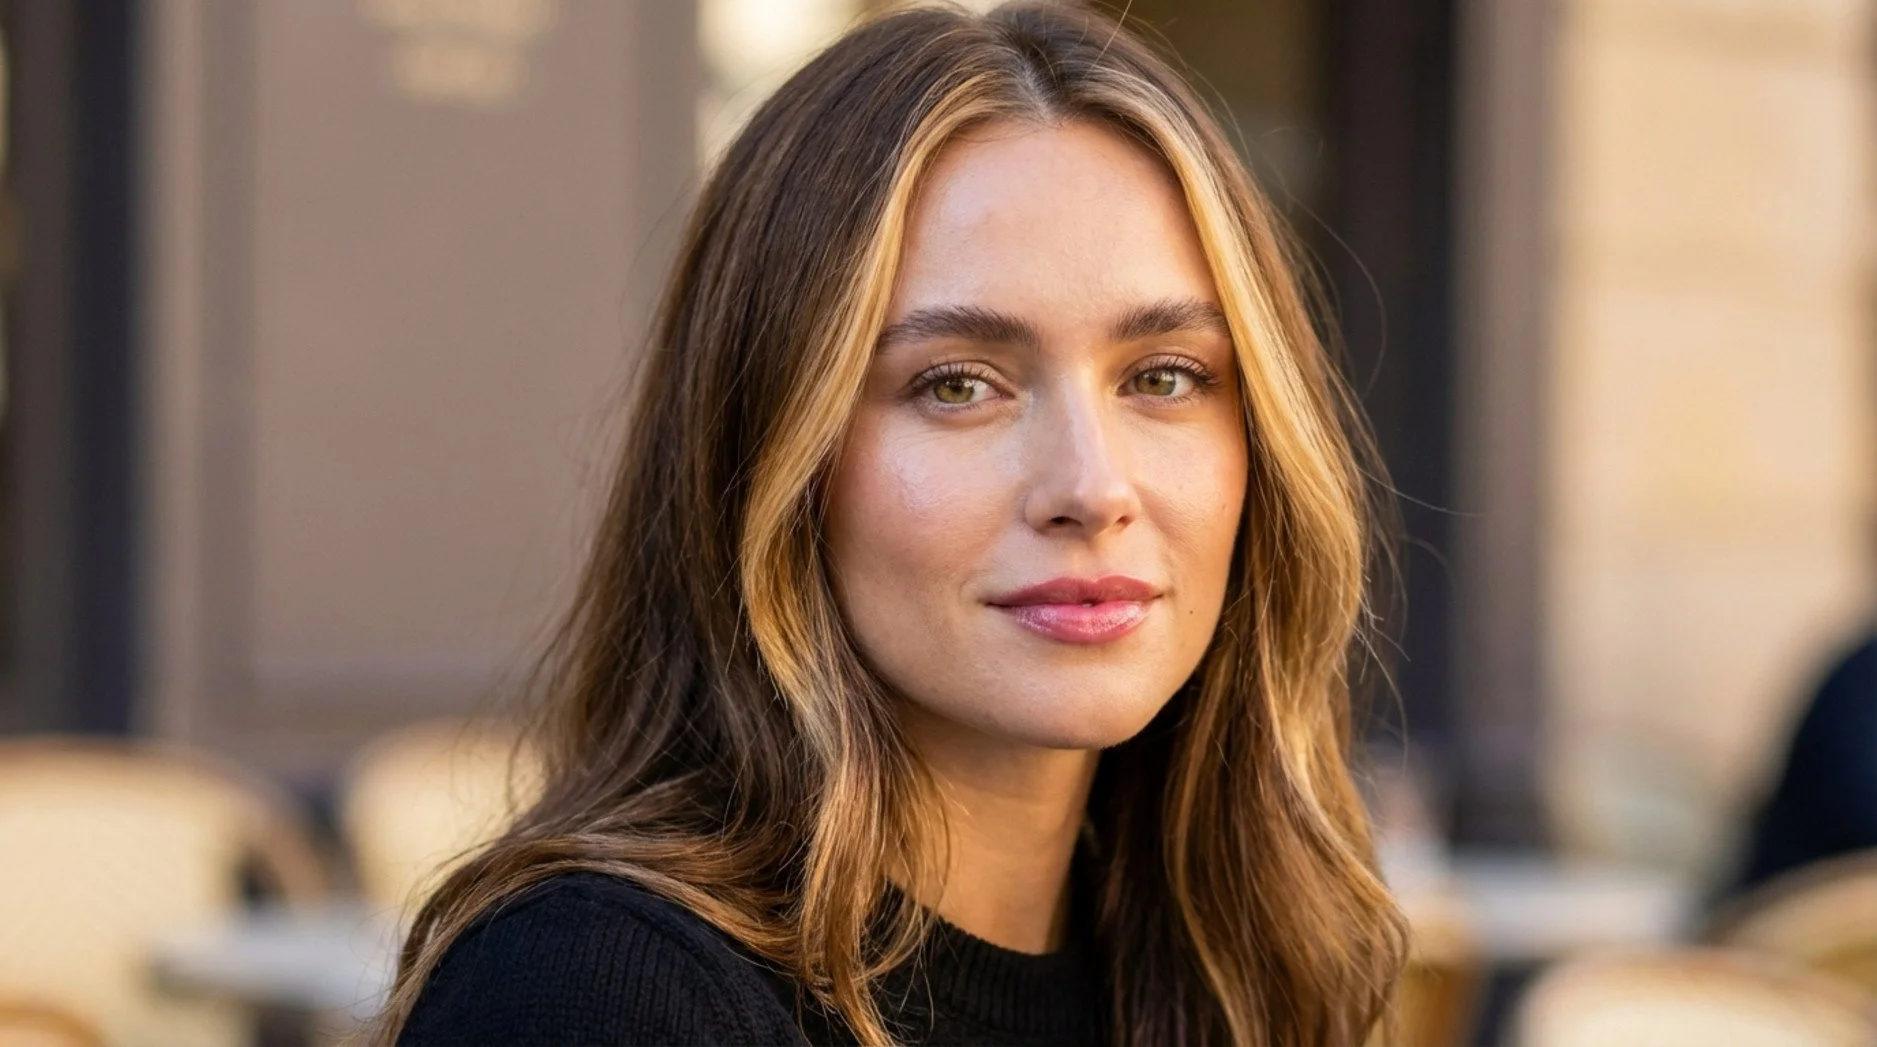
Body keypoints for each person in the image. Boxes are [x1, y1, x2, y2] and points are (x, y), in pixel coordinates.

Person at [375, 2, 1407, 1044]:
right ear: (773, 450)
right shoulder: (599, 995)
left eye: (1163, 376)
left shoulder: (1229, 965)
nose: (1092, 489)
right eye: (956, 385)